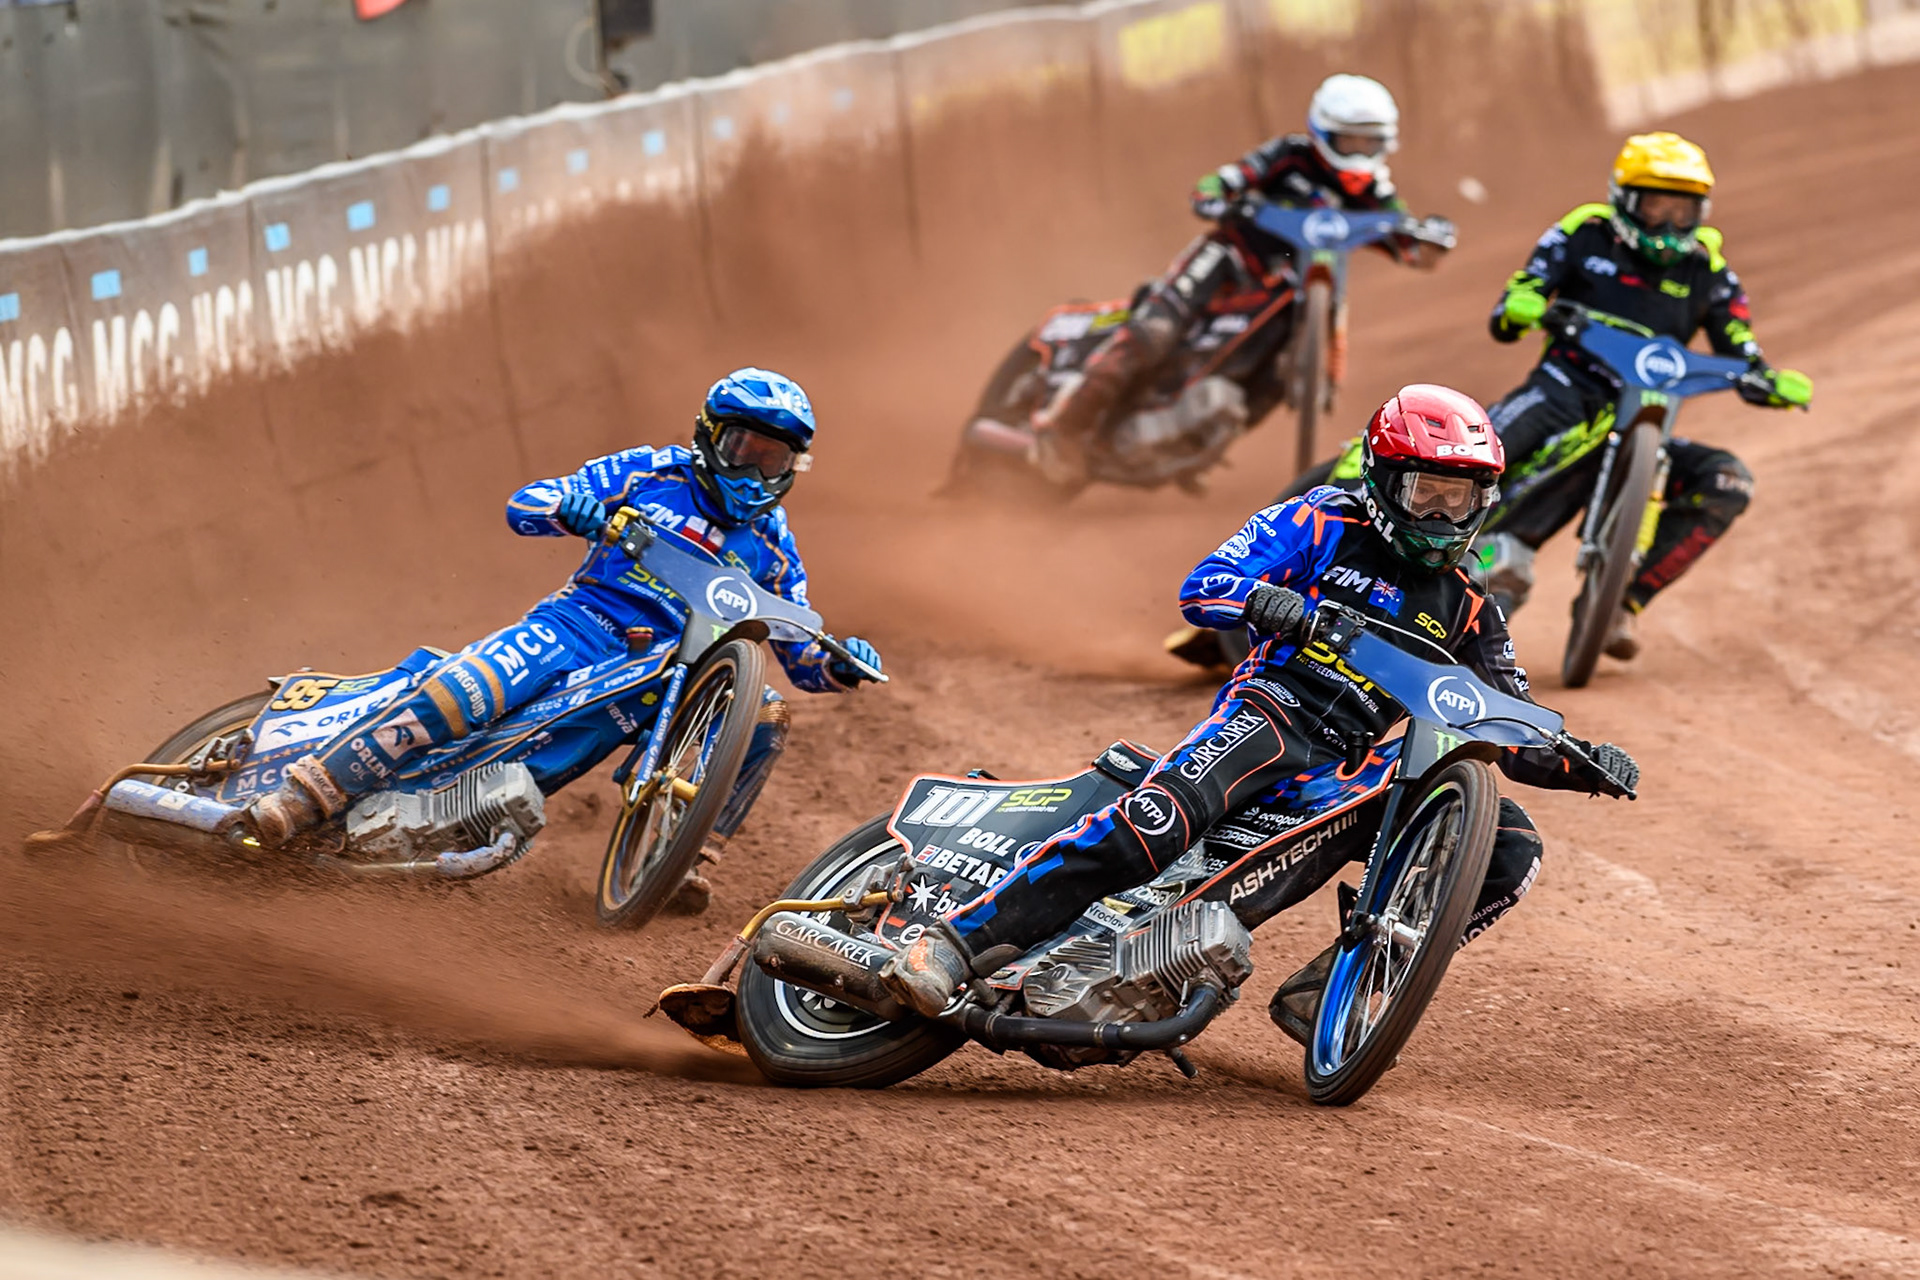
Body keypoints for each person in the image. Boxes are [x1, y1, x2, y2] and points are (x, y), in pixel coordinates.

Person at [881, 385, 1638, 1031]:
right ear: (1383, 481)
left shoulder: (1473, 607)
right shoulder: (1320, 520)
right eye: (1425, 493)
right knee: (1157, 822)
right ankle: (953, 944)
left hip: (1353, 768)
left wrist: (1581, 761)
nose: (1442, 514)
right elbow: (1204, 586)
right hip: (1272, 710)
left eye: (1460, 497)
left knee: (1510, 850)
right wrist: (1272, 603)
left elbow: (1510, 723)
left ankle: (1331, 991)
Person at [244, 368, 883, 911]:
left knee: (765, 713)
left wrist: (844, 663)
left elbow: (802, 651)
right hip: (578, 626)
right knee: (469, 689)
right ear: (710, 437)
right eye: (743, 448)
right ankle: (303, 796)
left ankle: (681, 854)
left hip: (666, 676)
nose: (753, 469)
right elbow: (528, 502)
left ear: (793, 466)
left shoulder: (775, 544)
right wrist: (570, 508)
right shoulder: (650, 471)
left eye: (772, 458)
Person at [1476, 130, 1812, 658]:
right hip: (1563, 390)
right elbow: (1521, 295)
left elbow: (1740, 345)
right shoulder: (1584, 232)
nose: (1669, 225)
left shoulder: (1708, 269)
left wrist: (1766, 379)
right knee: (1476, 449)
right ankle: (1363, 511)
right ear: (1625, 200)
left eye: (1683, 211)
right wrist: (1522, 304)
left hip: (1642, 420)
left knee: (1727, 481)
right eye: (1656, 207)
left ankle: (1620, 602)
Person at [1030, 73, 1449, 482]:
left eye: (1369, 142)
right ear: (1323, 132)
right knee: (1155, 331)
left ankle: (1191, 444)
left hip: (1293, 291)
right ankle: (1063, 428)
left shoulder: (1374, 192)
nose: (1358, 153)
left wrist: (1428, 239)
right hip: (1230, 259)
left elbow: (1405, 237)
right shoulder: (1288, 156)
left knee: (1275, 379)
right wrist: (1215, 194)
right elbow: (1228, 179)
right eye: (1349, 141)